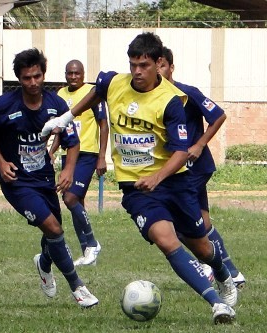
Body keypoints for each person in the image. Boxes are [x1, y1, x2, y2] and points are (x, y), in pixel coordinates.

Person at [42, 32, 237, 324]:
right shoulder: (114, 82)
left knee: (201, 247)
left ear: (159, 63)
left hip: (175, 182)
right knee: (166, 240)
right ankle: (217, 304)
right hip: (137, 188)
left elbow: (181, 153)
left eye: (143, 65)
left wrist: (158, 176)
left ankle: (223, 275)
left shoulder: (172, 101)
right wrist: (65, 118)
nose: (137, 71)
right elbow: (96, 93)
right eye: (133, 64)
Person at [0, 48, 98, 308]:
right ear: (18, 79)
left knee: (53, 231)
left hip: (44, 177)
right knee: (54, 229)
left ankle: (43, 262)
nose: (33, 83)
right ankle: (78, 287)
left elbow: (73, 143)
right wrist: (0, 161)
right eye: (26, 78)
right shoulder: (2, 106)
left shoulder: (56, 105)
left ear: (44, 74)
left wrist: (68, 170)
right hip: (17, 181)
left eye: (37, 76)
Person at [158, 46, 246, 289]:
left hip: (194, 168)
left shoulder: (187, 93)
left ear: (171, 67)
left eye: (162, 65)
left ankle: (207, 267)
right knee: (203, 224)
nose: (158, 70)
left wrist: (199, 144)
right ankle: (233, 273)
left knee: (180, 222)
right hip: (177, 169)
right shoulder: (154, 98)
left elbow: (218, 115)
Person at [49, 60, 108, 266]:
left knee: (70, 197)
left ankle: (92, 243)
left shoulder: (93, 93)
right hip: (69, 154)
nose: (73, 77)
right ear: (65, 74)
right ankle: (87, 254)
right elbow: (60, 128)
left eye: (77, 73)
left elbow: (104, 125)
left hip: (87, 153)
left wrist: (102, 156)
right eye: (69, 73)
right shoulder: (60, 95)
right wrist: (52, 151)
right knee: (76, 203)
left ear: (83, 74)